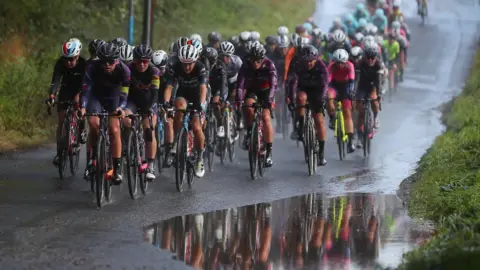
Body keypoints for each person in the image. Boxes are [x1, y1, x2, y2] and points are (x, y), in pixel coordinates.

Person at [80, 42, 130, 184]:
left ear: (116, 61)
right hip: (96, 96)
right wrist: (83, 107)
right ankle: (91, 162)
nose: (107, 64)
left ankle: (116, 168)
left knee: (114, 130)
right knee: (93, 124)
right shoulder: (91, 67)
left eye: (111, 62)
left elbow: (125, 93)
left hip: (114, 98)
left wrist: (121, 107)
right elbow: (86, 89)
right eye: (104, 62)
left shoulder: (124, 70)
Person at [164, 44, 208, 178]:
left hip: (197, 96)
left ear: (196, 60)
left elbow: (203, 88)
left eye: (190, 64)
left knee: (196, 126)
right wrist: (166, 103)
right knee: (179, 110)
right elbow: (169, 87)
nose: (187, 67)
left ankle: (200, 158)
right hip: (183, 94)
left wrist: (200, 105)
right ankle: (177, 141)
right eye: (184, 64)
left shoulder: (201, 67)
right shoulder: (175, 67)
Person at [47, 40, 87, 167]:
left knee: (78, 105)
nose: (69, 62)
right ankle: (60, 153)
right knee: (62, 120)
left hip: (80, 88)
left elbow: (86, 83)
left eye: (72, 59)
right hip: (65, 89)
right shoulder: (60, 63)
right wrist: (52, 96)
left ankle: (81, 130)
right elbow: (56, 81)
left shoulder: (83, 64)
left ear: (77, 56)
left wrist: (79, 95)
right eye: (66, 59)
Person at [122, 45, 159, 181]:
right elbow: (124, 89)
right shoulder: (128, 69)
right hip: (132, 100)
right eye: (139, 61)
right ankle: (127, 141)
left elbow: (155, 93)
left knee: (149, 130)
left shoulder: (154, 71)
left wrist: (149, 109)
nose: (142, 64)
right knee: (125, 119)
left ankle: (150, 165)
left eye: (145, 61)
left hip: (148, 102)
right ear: (134, 60)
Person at [236, 44, 277, 167]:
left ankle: (269, 152)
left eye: (258, 60)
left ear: (263, 59)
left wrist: (269, 100)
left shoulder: (269, 65)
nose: (255, 63)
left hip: (266, 91)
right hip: (252, 90)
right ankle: (250, 133)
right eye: (253, 59)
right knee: (247, 107)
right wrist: (239, 101)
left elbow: (274, 84)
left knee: (265, 117)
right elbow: (240, 85)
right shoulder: (246, 65)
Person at [287, 45, 329, 165]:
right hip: (303, 89)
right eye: (306, 61)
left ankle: (321, 153)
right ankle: (300, 125)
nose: (309, 64)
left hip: (317, 91)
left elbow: (325, 85)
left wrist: (322, 99)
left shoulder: (321, 66)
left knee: (319, 121)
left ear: (316, 59)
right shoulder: (297, 65)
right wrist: (291, 98)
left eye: (311, 61)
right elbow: (292, 83)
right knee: (300, 98)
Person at [327, 49, 356, 153]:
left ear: (346, 61)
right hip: (334, 85)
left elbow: (352, 81)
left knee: (347, 113)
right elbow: (328, 81)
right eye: (337, 63)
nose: (339, 65)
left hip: (346, 86)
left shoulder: (350, 65)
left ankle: (350, 142)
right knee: (329, 97)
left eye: (342, 63)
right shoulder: (331, 66)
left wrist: (350, 93)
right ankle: (332, 118)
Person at [355, 46, 383, 148]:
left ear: (376, 57)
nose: (370, 60)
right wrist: (355, 93)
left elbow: (379, 81)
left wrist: (379, 94)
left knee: (374, 101)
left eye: (373, 58)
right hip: (362, 86)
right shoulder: (360, 64)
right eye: (368, 58)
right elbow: (357, 80)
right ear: (364, 57)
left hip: (373, 86)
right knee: (360, 112)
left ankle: (375, 117)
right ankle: (359, 137)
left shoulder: (378, 64)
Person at [151, 50, 175, 166]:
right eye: (156, 68)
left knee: (169, 122)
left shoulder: (170, 72)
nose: (158, 71)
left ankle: (169, 150)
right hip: (155, 96)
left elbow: (171, 90)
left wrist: (168, 104)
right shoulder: (150, 71)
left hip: (168, 96)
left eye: (161, 68)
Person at [205, 47, 228, 140]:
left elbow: (223, 83)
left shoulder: (220, 66)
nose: (209, 63)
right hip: (206, 88)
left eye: (211, 61)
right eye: (207, 60)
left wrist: (222, 97)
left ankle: (220, 125)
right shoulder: (201, 66)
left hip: (218, 88)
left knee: (216, 104)